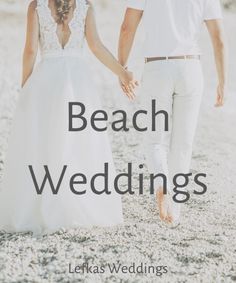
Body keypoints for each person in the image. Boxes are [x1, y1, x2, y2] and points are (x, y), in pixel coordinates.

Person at [0, 0, 137, 235]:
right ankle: (76, 203)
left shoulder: (36, 6)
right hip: (77, 80)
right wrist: (122, 73)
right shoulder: (85, 7)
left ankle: (44, 202)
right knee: (79, 142)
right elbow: (96, 46)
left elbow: (31, 50)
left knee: (45, 142)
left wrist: (26, 87)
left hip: (46, 80)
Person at [118, 0, 227, 225]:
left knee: (155, 140)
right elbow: (218, 38)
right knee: (183, 144)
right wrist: (222, 81)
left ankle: (161, 183)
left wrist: (122, 67)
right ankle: (174, 211)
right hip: (190, 68)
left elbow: (127, 28)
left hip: (157, 68)